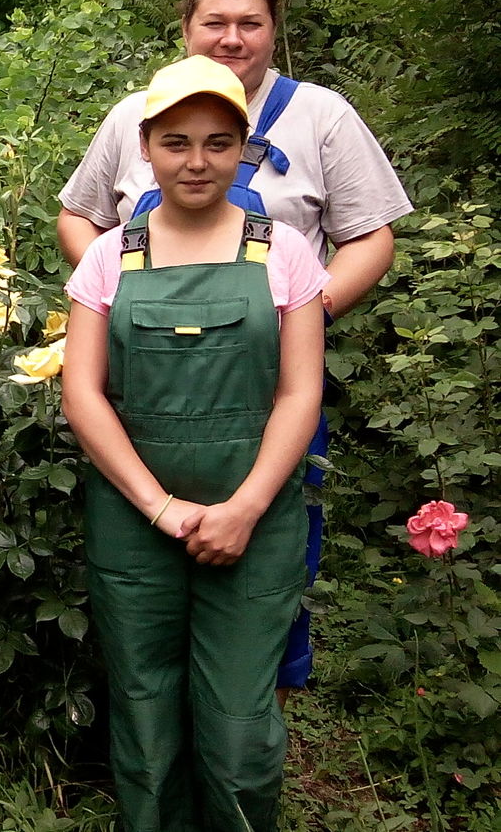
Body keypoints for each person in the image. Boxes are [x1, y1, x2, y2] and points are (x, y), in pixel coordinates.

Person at [55, 0, 412, 693]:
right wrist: (113, 301)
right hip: (146, 373)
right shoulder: (133, 116)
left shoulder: (322, 116)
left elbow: (372, 236)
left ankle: (257, 686)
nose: (231, 37)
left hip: (272, 373)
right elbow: (81, 215)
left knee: (271, 526)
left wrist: (303, 312)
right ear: (186, 29)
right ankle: (157, 695)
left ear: (274, 33)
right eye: (214, 22)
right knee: (143, 539)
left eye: (250, 23)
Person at [60, 56, 328, 831]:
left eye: (217, 141)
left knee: (242, 730)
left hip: (256, 520)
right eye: (176, 141)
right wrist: (160, 506)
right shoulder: (110, 255)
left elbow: (299, 393)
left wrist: (243, 508)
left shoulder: (282, 251)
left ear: (243, 146)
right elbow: (83, 393)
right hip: (134, 523)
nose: (197, 160)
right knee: (144, 718)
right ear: (145, 145)